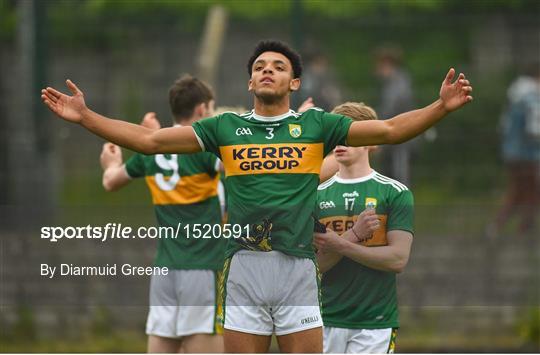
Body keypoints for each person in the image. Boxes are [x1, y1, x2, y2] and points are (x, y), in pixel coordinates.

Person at [41, 39, 472, 353]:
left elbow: (392, 129)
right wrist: (85, 117)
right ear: (250, 80)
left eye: (279, 66)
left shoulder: (317, 126)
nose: (268, 70)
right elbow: (150, 142)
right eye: (260, 65)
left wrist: (441, 107)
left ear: (295, 81)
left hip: (298, 266)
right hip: (243, 267)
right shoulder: (224, 128)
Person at [99, 75, 225, 353]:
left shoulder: (150, 151)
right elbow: (240, 167)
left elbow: (111, 181)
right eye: (212, 110)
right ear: (203, 110)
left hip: (165, 269)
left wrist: (111, 162)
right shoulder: (205, 149)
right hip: (203, 267)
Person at [314, 102, 413, 353]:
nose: (340, 142)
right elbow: (314, 267)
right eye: (335, 136)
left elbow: (397, 260)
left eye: (349, 136)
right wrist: (354, 235)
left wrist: (340, 244)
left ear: (372, 142)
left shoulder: (394, 193)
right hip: (321, 320)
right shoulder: (313, 196)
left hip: (375, 322)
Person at [487, 64, 540, 236]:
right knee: (529, 190)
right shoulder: (532, 97)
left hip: (511, 152)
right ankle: (522, 229)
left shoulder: (516, 94)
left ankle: (501, 227)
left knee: (520, 190)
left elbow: (503, 125)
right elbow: (534, 128)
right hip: (528, 153)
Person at [374, 45, 416, 186]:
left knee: (400, 173)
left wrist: (377, 128)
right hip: (393, 131)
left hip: (401, 133)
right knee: (391, 172)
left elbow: (392, 108)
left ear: (387, 64)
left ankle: (403, 205)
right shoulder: (393, 82)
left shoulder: (399, 82)